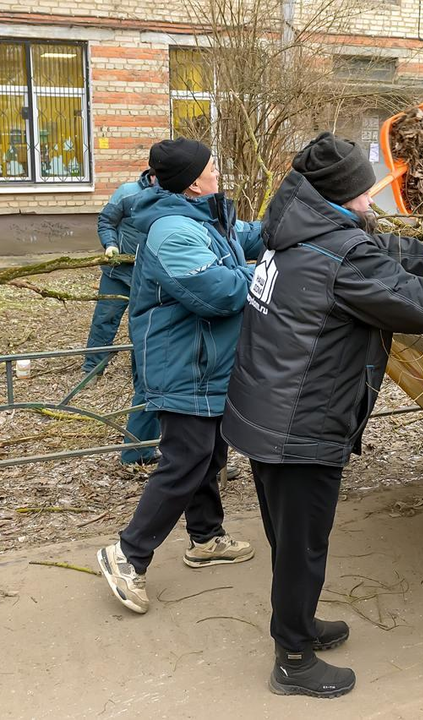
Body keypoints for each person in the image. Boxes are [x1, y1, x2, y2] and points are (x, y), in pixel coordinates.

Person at [221, 132, 423, 699]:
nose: (374, 198)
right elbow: (409, 299)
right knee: (302, 544)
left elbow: (386, 255)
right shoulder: (337, 252)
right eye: (367, 190)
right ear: (344, 195)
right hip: (299, 423)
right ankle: (293, 659)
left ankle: (300, 625)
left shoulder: (301, 227)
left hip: (267, 409)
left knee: (291, 538)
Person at [97, 138, 263, 615]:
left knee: (208, 451)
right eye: (213, 166)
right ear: (194, 180)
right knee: (186, 458)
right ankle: (127, 555)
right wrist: (269, 275)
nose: (218, 172)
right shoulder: (173, 229)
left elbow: (248, 236)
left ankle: (206, 539)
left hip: (205, 361)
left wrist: (295, 226)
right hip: (183, 363)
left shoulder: (205, 218)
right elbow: (217, 293)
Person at [83, 168, 161, 465]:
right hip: (118, 271)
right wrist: (111, 245)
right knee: (105, 320)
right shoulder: (127, 192)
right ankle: (93, 368)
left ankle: (137, 375)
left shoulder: (167, 196)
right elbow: (106, 221)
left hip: (146, 275)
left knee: (138, 326)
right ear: (151, 175)